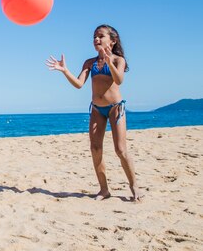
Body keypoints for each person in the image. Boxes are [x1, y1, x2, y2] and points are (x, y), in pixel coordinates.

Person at [46, 24, 141, 202]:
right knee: (95, 148)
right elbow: (79, 84)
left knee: (120, 150)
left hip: (115, 108)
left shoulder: (118, 60)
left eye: (100, 36)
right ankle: (104, 189)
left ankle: (134, 186)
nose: (96, 39)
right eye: (94, 37)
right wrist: (65, 71)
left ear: (112, 41)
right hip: (97, 109)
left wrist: (108, 60)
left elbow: (119, 80)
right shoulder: (90, 63)